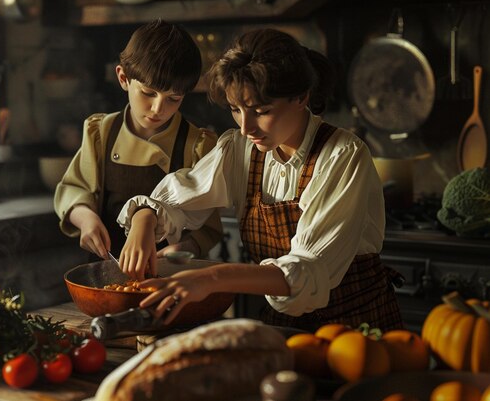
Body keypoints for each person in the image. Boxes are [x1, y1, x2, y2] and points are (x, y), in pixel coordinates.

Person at [117, 28, 404, 332]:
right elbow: (180, 196)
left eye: (261, 111)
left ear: (301, 97)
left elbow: (308, 267)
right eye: (235, 110)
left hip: (357, 330)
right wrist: (144, 220)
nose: (245, 127)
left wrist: (211, 278)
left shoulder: (342, 156)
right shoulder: (240, 149)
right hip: (283, 325)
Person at [54, 19, 223, 262]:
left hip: (170, 276)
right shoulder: (101, 133)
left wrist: (187, 248)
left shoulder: (196, 145)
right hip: (107, 269)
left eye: (173, 98)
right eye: (148, 93)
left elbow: (209, 224)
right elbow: (74, 188)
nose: (158, 108)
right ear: (123, 78)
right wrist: (85, 218)